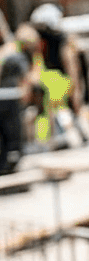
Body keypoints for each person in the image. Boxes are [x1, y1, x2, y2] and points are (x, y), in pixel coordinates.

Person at [27, 3, 86, 147]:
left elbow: (71, 67)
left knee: (61, 108)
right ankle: (55, 136)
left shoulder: (62, 42)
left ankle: (66, 134)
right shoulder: (44, 42)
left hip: (59, 83)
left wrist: (76, 92)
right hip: (52, 82)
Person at [0, 25, 32, 175]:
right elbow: (24, 77)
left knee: (8, 132)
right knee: (11, 131)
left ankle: (9, 161)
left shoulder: (9, 50)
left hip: (9, 95)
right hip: (10, 96)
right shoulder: (12, 50)